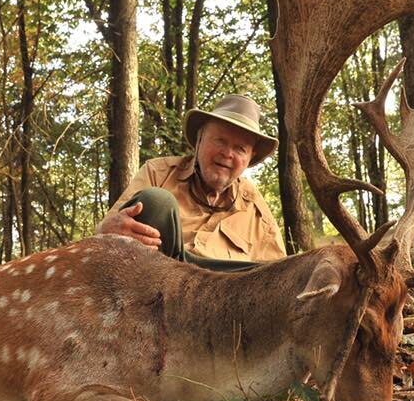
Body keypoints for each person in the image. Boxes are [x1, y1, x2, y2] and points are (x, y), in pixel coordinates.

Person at [97, 94, 286, 270]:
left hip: (221, 295)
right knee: (156, 201)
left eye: (240, 149)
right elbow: (104, 231)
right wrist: (110, 229)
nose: (227, 154)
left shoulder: (255, 209)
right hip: (158, 281)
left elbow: (280, 276)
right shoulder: (157, 173)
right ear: (200, 140)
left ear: (249, 158)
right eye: (220, 140)